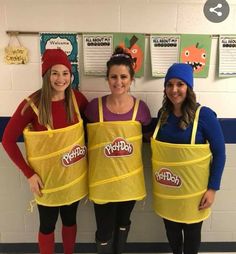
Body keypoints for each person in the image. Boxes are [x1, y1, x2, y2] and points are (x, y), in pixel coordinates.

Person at [2, 48, 88, 254]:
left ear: (71, 75)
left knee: (70, 220)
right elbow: (7, 140)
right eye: (55, 73)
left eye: (65, 73)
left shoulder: (77, 100)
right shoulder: (32, 105)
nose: (61, 79)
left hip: (72, 179)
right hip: (47, 181)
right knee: (47, 225)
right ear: (46, 75)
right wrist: (29, 174)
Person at [151, 63, 226, 254]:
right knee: (172, 233)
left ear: (189, 88)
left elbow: (219, 153)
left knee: (192, 236)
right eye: (169, 84)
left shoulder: (205, 116)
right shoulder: (162, 115)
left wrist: (212, 189)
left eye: (180, 84)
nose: (174, 90)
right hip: (168, 190)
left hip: (194, 193)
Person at [85, 46, 151, 254]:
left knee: (123, 222)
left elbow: (148, 140)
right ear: (107, 78)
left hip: (128, 184)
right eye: (113, 77)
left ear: (131, 79)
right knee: (104, 229)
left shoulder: (141, 109)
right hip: (102, 183)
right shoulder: (94, 108)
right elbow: (84, 141)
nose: (118, 82)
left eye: (123, 76)